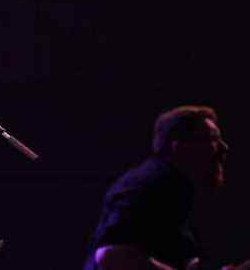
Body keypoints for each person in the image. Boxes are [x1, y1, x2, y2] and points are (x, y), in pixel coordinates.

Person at [84, 105, 247, 270]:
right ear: (179, 147)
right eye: (212, 139)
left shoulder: (175, 189)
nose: (224, 147)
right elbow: (111, 255)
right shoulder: (152, 185)